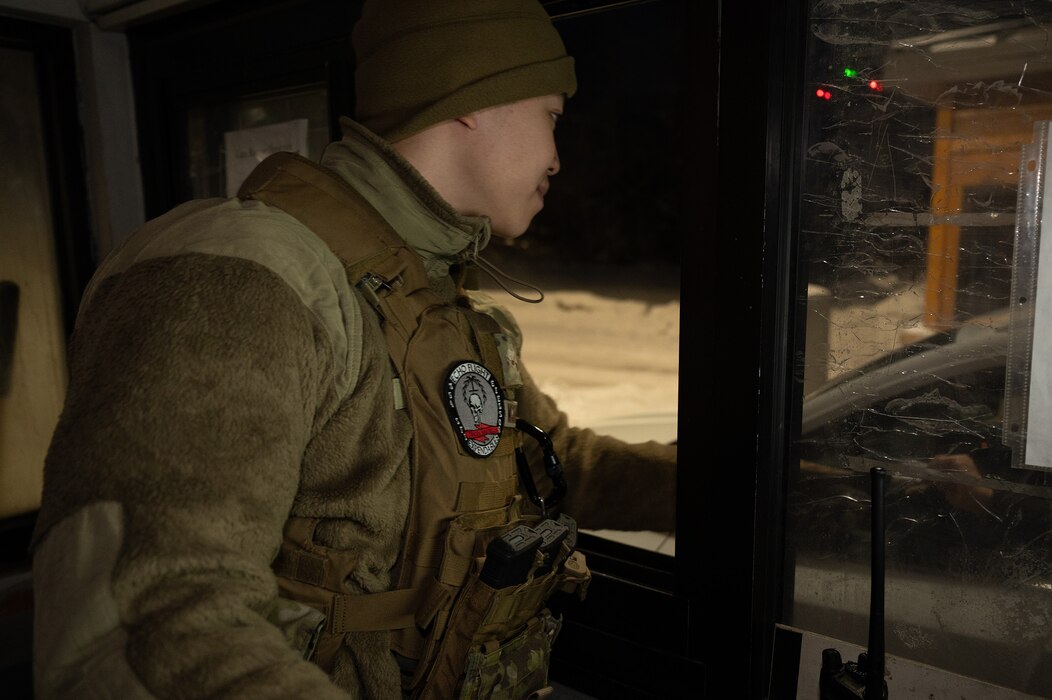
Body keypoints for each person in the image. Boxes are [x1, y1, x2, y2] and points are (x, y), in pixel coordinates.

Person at [30, 1, 676, 698]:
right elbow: (152, 620)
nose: (557, 155)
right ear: (472, 100)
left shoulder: (432, 299)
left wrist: (758, 490)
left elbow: (549, 462)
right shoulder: (242, 275)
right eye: (551, 115)